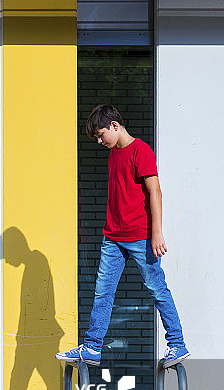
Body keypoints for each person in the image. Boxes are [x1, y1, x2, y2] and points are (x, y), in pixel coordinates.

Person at [56, 104, 189, 368]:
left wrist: (157, 233)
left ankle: (177, 344)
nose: (99, 140)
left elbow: (155, 192)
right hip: (113, 237)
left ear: (115, 126)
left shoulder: (141, 151)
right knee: (102, 292)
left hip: (140, 236)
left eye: (101, 134)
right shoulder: (113, 154)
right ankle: (93, 347)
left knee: (156, 288)